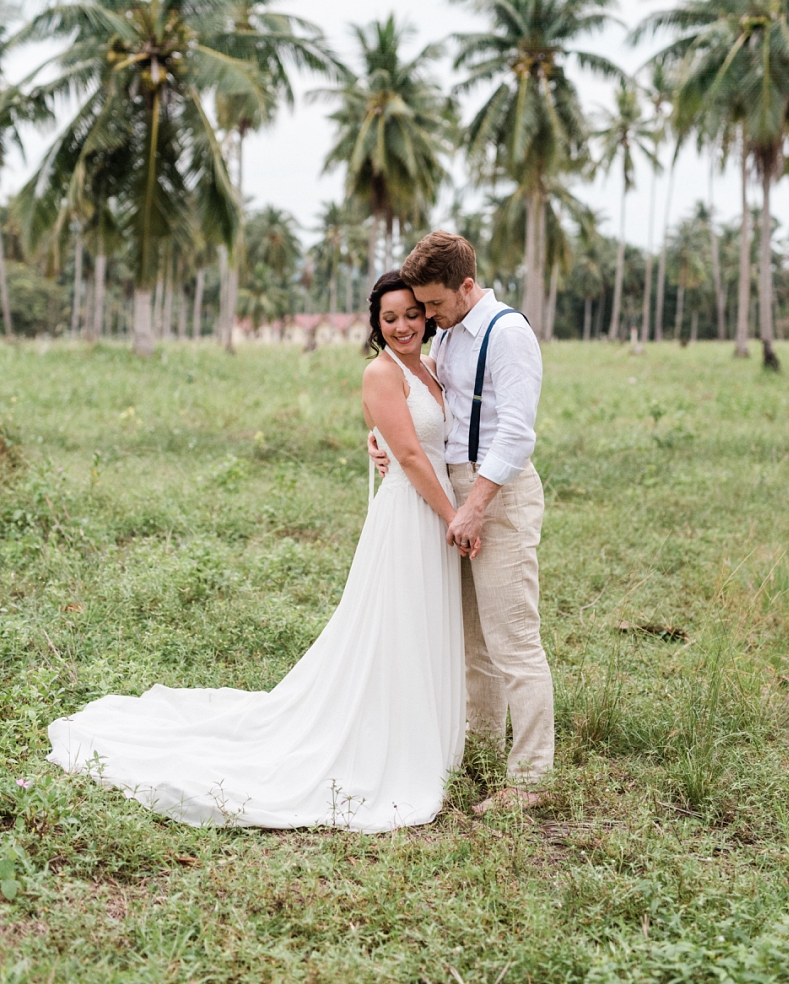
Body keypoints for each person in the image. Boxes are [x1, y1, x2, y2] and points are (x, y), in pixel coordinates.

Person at [46, 273, 465, 834]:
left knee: (423, 624)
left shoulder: (432, 367)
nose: (402, 326)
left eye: (412, 314)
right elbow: (411, 455)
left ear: (427, 314)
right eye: (389, 319)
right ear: (375, 324)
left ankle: (425, 732)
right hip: (414, 511)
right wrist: (453, 516)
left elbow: (427, 438)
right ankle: (389, 741)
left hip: (433, 506)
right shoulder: (380, 372)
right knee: (396, 626)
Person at [370, 231, 553, 811]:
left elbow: (517, 432)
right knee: (473, 641)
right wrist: (384, 445)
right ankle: (478, 751)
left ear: (466, 286)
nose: (425, 316)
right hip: (453, 493)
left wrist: (473, 507)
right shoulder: (449, 338)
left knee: (513, 641)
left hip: (494, 494)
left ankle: (529, 780)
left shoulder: (508, 334)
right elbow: (428, 410)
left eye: (433, 304)